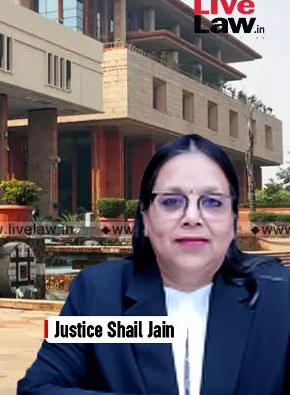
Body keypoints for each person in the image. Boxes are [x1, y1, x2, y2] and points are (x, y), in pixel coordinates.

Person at [18, 134, 290, 395]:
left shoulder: (278, 295)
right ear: (145, 218)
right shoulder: (97, 292)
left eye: (212, 202)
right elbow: (37, 388)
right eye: (171, 201)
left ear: (232, 221)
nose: (192, 217)